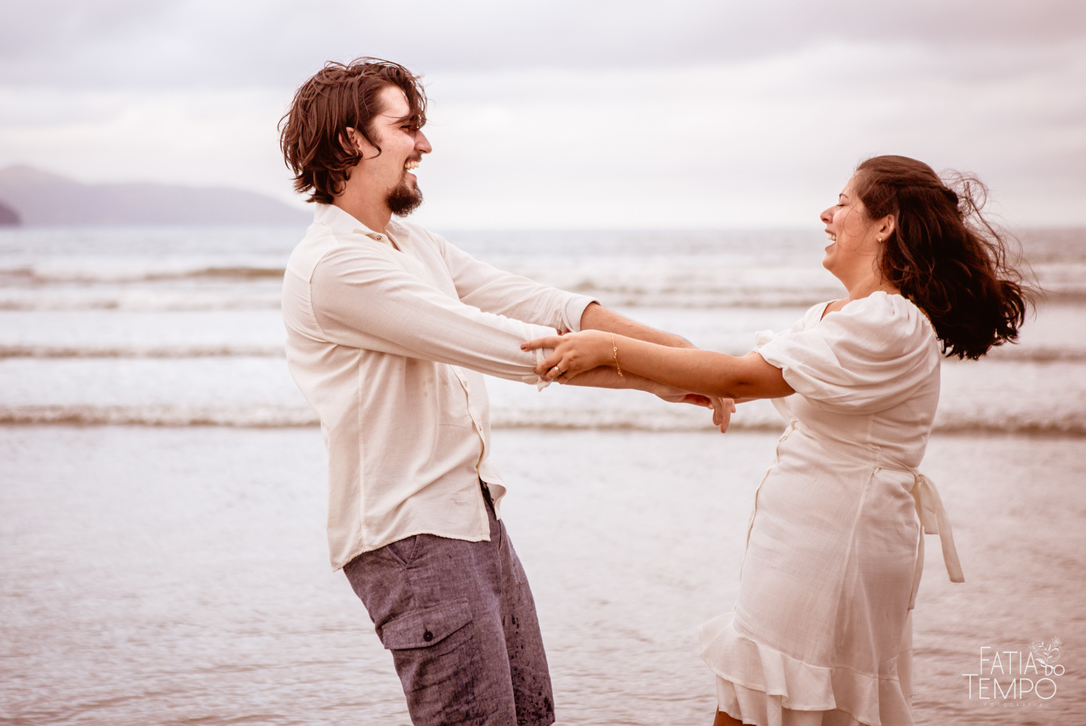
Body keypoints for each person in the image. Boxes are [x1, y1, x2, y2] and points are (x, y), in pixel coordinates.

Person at [277, 57, 731, 726]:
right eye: (407, 128)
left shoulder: (405, 242)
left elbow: (544, 305)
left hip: (472, 520)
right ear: (351, 141)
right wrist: (672, 377)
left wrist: (679, 351)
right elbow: (514, 347)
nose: (424, 145)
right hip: (411, 539)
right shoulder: (336, 266)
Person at [523, 155, 1032, 726]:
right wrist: (613, 366)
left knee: (770, 703)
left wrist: (610, 348)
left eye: (843, 202)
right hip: (808, 536)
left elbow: (744, 377)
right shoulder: (840, 315)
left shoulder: (890, 322)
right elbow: (732, 371)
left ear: (886, 223)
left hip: (839, 541)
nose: (826, 213)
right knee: (769, 701)